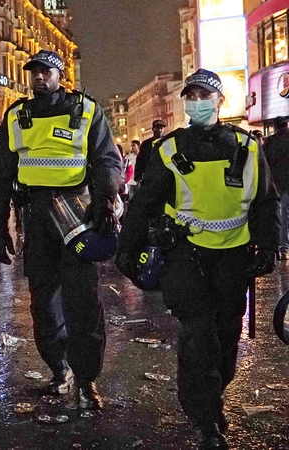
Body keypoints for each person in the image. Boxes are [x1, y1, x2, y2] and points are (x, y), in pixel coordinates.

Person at [116, 69, 279, 450]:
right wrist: (128, 247)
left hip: (233, 258)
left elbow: (265, 201)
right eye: (191, 95)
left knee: (225, 339)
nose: (196, 101)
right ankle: (206, 421)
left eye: (204, 94)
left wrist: (268, 246)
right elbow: (145, 203)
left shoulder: (247, 146)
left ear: (220, 101)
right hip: (186, 256)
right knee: (198, 337)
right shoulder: (169, 149)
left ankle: (211, 397)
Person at [0, 50, 121, 410]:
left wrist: (106, 197)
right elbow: (0, 174)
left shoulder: (86, 109)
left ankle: (87, 378)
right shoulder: (16, 116)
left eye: (46, 71)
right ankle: (60, 370)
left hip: (76, 216)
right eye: (34, 72)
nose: (39, 77)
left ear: (61, 74)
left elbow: (106, 158)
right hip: (36, 216)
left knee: (83, 301)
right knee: (44, 303)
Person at [263, 117, 289, 260]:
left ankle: (281, 247)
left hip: (275, 184)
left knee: (279, 216)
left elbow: (264, 163)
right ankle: (283, 246)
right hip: (286, 183)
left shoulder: (269, 142)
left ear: (274, 126)